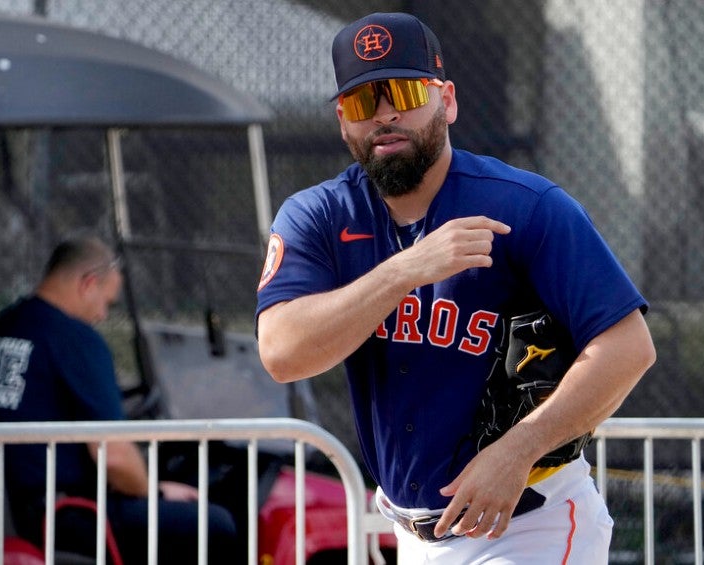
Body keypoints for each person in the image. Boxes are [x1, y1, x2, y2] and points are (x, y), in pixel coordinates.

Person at [256, 12, 656, 564]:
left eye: (402, 91)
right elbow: (281, 352)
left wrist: (520, 449)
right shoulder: (319, 217)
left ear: (446, 101)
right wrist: (405, 269)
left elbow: (629, 347)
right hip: (410, 534)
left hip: (527, 523)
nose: (385, 115)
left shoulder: (527, 208)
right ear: (342, 123)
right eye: (361, 102)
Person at [0, 236, 239, 564]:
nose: (103, 315)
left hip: (8, 506)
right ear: (88, 283)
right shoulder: (75, 338)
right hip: (65, 515)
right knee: (216, 524)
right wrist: (155, 492)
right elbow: (115, 456)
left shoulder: (3, 324)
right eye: (106, 302)